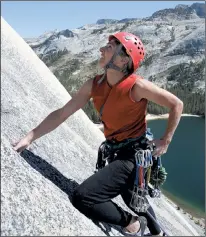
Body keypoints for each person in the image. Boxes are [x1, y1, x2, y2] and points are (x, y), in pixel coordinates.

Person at [13, 32, 183, 236]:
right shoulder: (94, 85)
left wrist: (166, 141)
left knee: (83, 197)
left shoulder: (137, 87)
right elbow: (62, 113)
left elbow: (177, 104)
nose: (101, 49)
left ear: (123, 58)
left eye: (110, 47)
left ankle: (133, 223)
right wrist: (30, 136)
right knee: (133, 199)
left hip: (132, 156)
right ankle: (157, 232)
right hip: (116, 153)